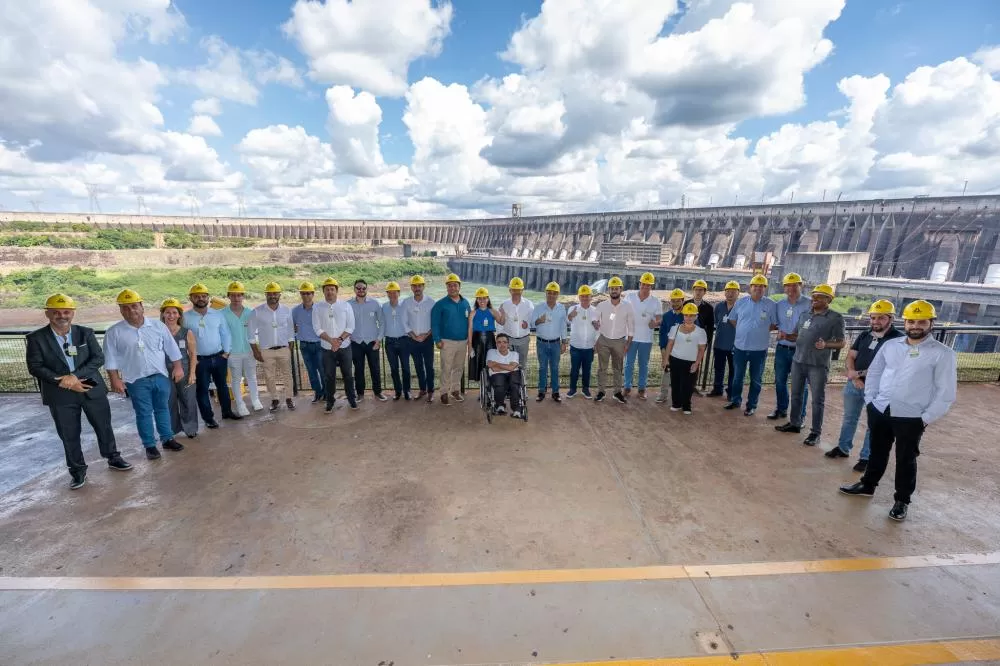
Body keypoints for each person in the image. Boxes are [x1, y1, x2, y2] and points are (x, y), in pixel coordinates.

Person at [839, 300, 957, 522]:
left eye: (921, 321)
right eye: (911, 321)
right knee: (877, 450)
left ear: (931, 323)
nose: (915, 326)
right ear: (905, 321)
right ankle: (868, 484)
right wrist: (871, 400)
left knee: (906, 459)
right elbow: (874, 373)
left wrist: (925, 418)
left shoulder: (943, 354)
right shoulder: (892, 345)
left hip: (912, 416)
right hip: (881, 409)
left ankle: (902, 500)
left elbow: (946, 392)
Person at [26, 293, 131, 489]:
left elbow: (98, 358)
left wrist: (74, 376)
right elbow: (35, 366)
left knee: (104, 426)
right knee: (69, 434)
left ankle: (113, 457)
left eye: (66, 311)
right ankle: (77, 471)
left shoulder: (85, 333)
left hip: (90, 386)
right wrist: (63, 381)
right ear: (48, 313)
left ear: (72, 313)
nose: (62, 316)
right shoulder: (36, 338)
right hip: (60, 393)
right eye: (56, 312)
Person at [103, 289, 185, 460]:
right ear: (120, 310)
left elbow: (172, 348)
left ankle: (167, 438)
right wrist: (115, 379)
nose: (131, 310)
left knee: (162, 408)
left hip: (160, 376)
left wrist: (178, 368)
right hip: (135, 379)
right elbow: (110, 358)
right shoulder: (114, 332)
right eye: (125, 308)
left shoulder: (158, 326)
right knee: (144, 413)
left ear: (141, 307)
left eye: (134, 306)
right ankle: (149, 445)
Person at [826, 300, 903, 471]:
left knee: (873, 424)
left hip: (879, 390)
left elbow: (888, 367)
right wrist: (854, 377)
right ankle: (843, 448)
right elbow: (851, 357)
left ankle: (866, 457)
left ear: (890, 319)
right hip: (855, 384)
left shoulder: (898, 340)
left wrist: (857, 375)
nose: (875, 322)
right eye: (873, 318)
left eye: (881, 318)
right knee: (849, 418)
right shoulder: (865, 335)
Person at [774, 284, 846, 446]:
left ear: (828, 299)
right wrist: (786, 335)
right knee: (796, 395)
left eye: (819, 296)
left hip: (817, 365)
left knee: (817, 400)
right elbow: (796, 336)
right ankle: (795, 423)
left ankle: (815, 432)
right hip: (798, 361)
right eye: (814, 295)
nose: (814, 299)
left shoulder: (835, 318)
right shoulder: (805, 314)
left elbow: (841, 342)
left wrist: (826, 344)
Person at [184, 283, 238, 427]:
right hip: (199, 361)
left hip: (219, 357)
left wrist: (226, 352)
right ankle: (209, 419)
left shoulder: (217, 314)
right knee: (202, 390)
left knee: (223, 386)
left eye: (203, 296)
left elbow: (225, 333)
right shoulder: (185, 318)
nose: (200, 299)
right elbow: (182, 339)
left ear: (208, 297)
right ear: (191, 298)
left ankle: (227, 412)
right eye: (197, 296)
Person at [725, 274, 778, 416]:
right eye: (756, 286)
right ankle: (735, 401)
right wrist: (744, 329)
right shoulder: (741, 302)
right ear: (750, 287)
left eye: (761, 286)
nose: (758, 288)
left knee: (756, 379)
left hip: (759, 350)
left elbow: (774, 324)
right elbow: (733, 320)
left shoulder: (771, 304)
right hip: (740, 347)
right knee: (737, 377)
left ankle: (751, 405)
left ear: (765, 288)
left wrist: (758, 331)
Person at [769, 272, 811, 421]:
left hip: (801, 351)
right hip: (782, 349)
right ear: (784, 287)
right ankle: (781, 409)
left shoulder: (810, 304)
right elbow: (773, 324)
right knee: (780, 381)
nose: (791, 288)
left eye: (795, 285)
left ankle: (800, 415)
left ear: (801, 286)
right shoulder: (779, 305)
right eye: (788, 285)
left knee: (801, 385)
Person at [312, 277, 358, 413]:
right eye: (327, 290)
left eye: (332, 289)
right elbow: (317, 328)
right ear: (323, 291)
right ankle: (330, 401)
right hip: (327, 348)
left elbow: (351, 326)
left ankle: (351, 399)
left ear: (336, 291)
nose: (330, 292)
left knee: (348, 375)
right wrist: (331, 341)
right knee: (329, 376)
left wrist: (339, 340)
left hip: (344, 347)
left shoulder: (345, 306)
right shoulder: (317, 307)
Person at [250, 282, 295, 412]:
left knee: (288, 375)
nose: (272, 296)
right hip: (266, 350)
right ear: (266, 295)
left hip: (283, 349)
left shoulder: (286, 310)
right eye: (269, 294)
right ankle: (274, 399)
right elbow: (251, 333)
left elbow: (290, 329)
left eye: (275, 293)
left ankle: (289, 398)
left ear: (279, 295)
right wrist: (256, 351)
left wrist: (290, 346)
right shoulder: (257, 312)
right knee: (269, 377)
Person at [159, 298, 199, 439]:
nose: (171, 315)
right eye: (168, 312)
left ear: (179, 315)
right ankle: (173, 429)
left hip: (186, 370)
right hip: (164, 372)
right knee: (168, 401)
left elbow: (193, 354)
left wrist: (193, 373)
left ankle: (190, 428)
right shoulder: (158, 331)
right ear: (163, 314)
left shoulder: (186, 332)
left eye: (174, 312)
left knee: (188, 400)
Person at [431, 273, 471, 406]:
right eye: (450, 285)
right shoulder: (440, 304)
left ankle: (455, 390)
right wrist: (437, 339)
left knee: (459, 367)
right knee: (446, 368)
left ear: (459, 287)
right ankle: (443, 392)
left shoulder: (466, 303)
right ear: (447, 288)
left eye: (455, 285)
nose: (453, 288)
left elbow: (470, 322)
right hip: (447, 342)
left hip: (463, 342)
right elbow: (435, 324)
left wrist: (470, 340)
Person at [593, 276, 635, 403]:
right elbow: (595, 319)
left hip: (619, 341)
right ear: (609, 290)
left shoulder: (628, 306)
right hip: (604, 340)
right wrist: (595, 323)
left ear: (621, 289)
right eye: (612, 288)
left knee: (618, 368)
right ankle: (601, 391)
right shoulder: (601, 305)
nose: (614, 291)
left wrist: (628, 343)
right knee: (602, 368)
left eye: (616, 288)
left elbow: (631, 326)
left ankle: (617, 392)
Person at [223, 280, 261, 415]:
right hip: (233, 353)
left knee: (252, 377)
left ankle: (256, 400)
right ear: (228, 296)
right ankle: (240, 404)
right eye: (233, 295)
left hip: (249, 351)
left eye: (239, 295)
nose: (236, 298)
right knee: (235, 379)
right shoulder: (222, 314)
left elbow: (258, 331)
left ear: (243, 296)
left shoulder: (251, 313)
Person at [663, 303, 708, 414]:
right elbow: (670, 344)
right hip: (675, 360)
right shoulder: (675, 328)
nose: (689, 318)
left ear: (696, 316)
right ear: (683, 316)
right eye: (687, 315)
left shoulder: (700, 332)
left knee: (688, 385)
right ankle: (676, 403)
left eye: (692, 315)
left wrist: (697, 363)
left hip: (691, 362)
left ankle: (686, 405)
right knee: (675, 383)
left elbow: (702, 349)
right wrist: (665, 359)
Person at [624, 272, 663, 400]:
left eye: (648, 285)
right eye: (644, 284)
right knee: (628, 363)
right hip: (630, 337)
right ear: (640, 284)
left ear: (651, 287)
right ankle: (627, 387)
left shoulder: (656, 301)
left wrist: (655, 323)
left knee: (643, 365)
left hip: (646, 339)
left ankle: (641, 389)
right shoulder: (629, 297)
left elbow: (659, 319)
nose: (645, 287)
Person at [349, 279, 387, 401]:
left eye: (363, 288)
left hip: (372, 342)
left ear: (366, 289)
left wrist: (379, 339)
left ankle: (378, 392)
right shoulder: (348, 304)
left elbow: (382, 323)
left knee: (375, 369)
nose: (361, 290)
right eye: (358, 288)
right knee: (358, 370)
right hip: (356, 342)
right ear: (354, 289)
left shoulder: (375, 303)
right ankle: (360, 393)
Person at [533, 281, 569, 402]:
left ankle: (555, 392)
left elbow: (563, 326)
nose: (551, 295)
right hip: (541, 343)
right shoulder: (538, 307)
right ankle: (541, 391)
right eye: (549, 293)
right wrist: (539, 320)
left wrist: (564, 342)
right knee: (542, 368)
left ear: (557, 294)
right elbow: (532, 323)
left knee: (555, 368)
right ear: (546, 293)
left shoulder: (561, 308)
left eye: (554, 293)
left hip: (555, 344)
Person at [403, 275, 436, 403]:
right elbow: (404, 322)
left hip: (427, 339)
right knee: (418, 366)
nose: (417, 288)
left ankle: (431, 391)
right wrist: (414, 336)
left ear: (423, 286)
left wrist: (425, 335)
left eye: (419, 285)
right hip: (412, 340)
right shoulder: (406, 302)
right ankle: (422, 389)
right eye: (414, 286)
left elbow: (434, 323)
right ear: (411, 287)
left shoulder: (431, 302)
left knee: (429, 366)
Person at [292, 281, 325, 404]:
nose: (306, 296)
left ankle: (326, 393)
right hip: (304, 345)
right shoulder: (295, 311)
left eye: (308, 293)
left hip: (319, 344)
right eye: (303, 293)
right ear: (301, 294)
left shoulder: (319, 309)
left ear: (313, 294)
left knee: (322, 370)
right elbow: (291, 325)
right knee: (311, 371)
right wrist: (296, 333)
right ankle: (318, 393)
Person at [707, 281, 740, 400]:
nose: (730, 294)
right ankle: (717, 388)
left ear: (738, 293)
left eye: (733, 292)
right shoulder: (719, 306)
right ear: (724, 293)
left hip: (735, 345)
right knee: (718, 368)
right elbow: (716, 321)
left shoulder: (740, 307)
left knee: (733, 370)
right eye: (728, 291)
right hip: (720, 343)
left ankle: (731, 391)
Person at [656, 289, 686, 405]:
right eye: (673, 301)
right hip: (669, 350)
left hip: (683, 351)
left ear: (683, 301)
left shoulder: (688, 315)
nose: (675, 303)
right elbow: (662, 334)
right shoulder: (667, 316)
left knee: (682, 374)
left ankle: (680, 397)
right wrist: (663, 351)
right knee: (667, 371)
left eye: (678, 301)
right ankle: (663, 395)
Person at [567, 285, 598, 399]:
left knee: (587, 370)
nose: (585, 298)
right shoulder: (573, 309)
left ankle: (586, 389)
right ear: (579, 297)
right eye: (582, 296)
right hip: (575, 345)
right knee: (574, 369)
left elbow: (598, 328)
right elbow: (567, 320)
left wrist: (597, 342)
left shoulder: (595, 311)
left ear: (591, 297)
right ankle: (572, 389)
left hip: (589, 346)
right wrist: (571, 315)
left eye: (587, 296)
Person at [382, 282, 411, 400]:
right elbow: (382, 323)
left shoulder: (405, 305)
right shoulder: (383, 307)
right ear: (387, 294)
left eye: (395, 292)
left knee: (406, 368)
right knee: (394, 369)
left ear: (399, 293)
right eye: (390, 292)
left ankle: (407, 390)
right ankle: (398, 391)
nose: (393, 294)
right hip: (389, 342)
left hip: (404, 340)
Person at [496, 277, 533, 367]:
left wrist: (528, 325)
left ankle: (521, 381)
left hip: (524, 340)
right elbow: (499, 324)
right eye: (514, 290)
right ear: (510, 290)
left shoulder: (529, 304)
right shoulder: (504, 305)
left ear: (522, 290)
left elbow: (533, 320)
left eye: (518, 290)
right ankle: (510, 381)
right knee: (508, 364)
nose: (516, 292)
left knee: (522, 365)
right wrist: (501, 339)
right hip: (509, 340)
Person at [486, 333, 524, 418]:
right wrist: (508, 367)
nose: (502, 344)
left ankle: (517, 410)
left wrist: (497, 364)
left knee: (514, 385)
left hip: (512, 375)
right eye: (499, 342)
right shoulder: (491, 352)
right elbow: (493, 368)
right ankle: (500, 406)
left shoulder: (514, 354)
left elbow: (510, 368)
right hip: (498, 376)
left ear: (508, 344)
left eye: (504, 342)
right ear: (496, 344)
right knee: (499, 381)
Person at [467, 287, 500, 386]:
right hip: (477, 341)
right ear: (476, 300)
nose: (482, 301)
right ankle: (482, 389)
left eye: (484, 298)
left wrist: (503, 313)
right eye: (479, 298)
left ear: (488, 299)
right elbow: (470, 329)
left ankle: (490, 387)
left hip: (490, 340)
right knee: (479, 364)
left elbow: (501, 321)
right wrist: (470, 346)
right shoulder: (473, 313)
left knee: (490, 362)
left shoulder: (492, 311)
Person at [685, 278, 716, 354]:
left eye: (700, 290)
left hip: (699, 341)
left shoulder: (709, 308)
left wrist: (706, 343)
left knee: (695, 363)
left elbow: (710, 328)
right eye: (696, 290)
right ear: (693, 291)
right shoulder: (686, 304)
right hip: (685, 338)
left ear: (704, 292)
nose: (698, 292)